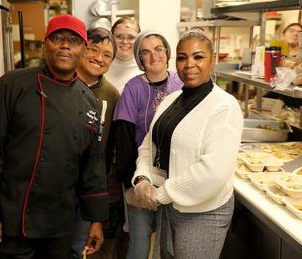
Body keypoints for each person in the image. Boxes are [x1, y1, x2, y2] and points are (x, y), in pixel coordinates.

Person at [0, 14, 109, 259]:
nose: (65, 45)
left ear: (83, 50)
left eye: (73, 41)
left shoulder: (89, 101)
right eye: (58, 39)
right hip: (13, 219)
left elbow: (92, 165)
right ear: (45, 45)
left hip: (61, 225)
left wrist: (96, 219)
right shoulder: (12, 85)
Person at [132, 28, 243, 259]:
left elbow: (212, 172)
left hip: (203, 213)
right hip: (168, 205)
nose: (189, 64)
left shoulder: (224, 106)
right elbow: (148, 146)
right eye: (182, 57)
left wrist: (160, 195)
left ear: (212, 60)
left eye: (198, 56)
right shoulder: (171, 99)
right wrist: (142, 180)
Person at [113, 31, 183, 259]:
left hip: (176, 179)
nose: (154, 56)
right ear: (139, 58)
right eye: (146, 52)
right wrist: (129, 187)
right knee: (140, 246)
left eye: (158, 49)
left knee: (170, 246)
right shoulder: (132, 89)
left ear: (167, 52)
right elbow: (123, 141)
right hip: (141, 178)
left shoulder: (181, 83)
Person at [70, 27, 119, 258]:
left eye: (107, 54)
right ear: (81, 49)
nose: (99, 58)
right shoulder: (60, 83)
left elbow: (108, 151)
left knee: (78, 249)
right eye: (93, 49)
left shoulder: (111, 94)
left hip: (88, 189)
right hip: (54, 191)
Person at [105, 17, 141, 93]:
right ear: (111, 38)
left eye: (131, 37)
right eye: (119, 37)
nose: (125, 42)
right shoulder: (101, 65)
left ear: (139, 40)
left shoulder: (146, 69)